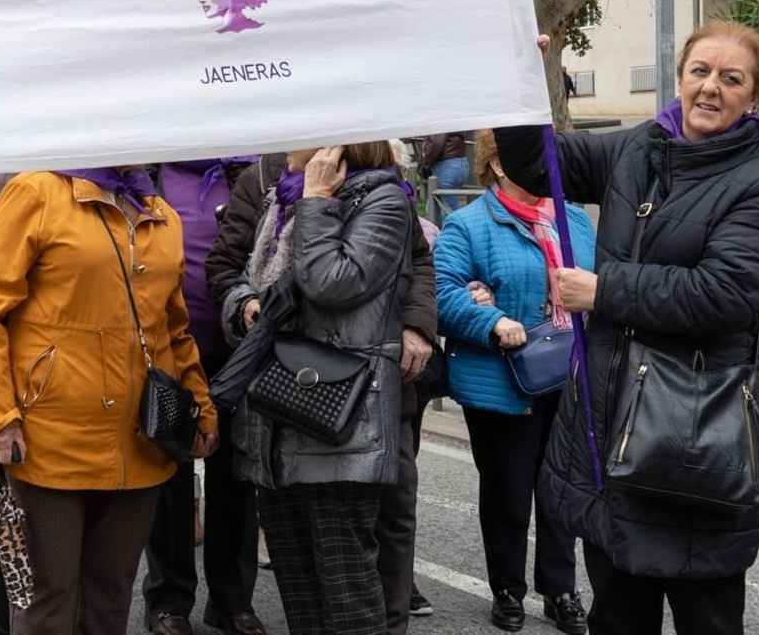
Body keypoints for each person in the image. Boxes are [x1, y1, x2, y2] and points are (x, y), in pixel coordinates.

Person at [494, 21, 759, 635]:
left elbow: (726, 294)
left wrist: (605, 291)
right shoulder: (636, 148)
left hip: (695, 435)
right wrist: (521, 78)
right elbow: (533, 162)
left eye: (730, 78)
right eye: (700, 71)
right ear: (680, 76)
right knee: (618, 616)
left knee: (707, 618)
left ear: (753, 96)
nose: (710, 88)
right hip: (611, 427)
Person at [0, 167, 219, 635]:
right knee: (44, 601)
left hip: (141, 445)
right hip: (48, 441)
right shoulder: (36, 191)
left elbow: (173, 330)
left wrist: (199, 404)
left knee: (110, 598)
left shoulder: (159, 214)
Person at [209, 151, 438, 630]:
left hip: (339, 421)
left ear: (334, 148)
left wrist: (315, 201)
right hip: (278, 414)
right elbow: (240, 275)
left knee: (347, 593)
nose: (284, 144)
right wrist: (248, 307)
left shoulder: (382, 200)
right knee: (300, 589)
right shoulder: (278, 195)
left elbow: (331, 283)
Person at [434, 130, 594, 634]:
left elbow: (600, 280)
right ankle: (506, 587)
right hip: (504, 382)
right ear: (499, 165)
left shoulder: (574, 220)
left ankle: (560, 589)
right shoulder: (467, 225)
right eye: (533, 158)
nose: (547, 168)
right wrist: (493, 321)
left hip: (569, 378)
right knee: (508, 491)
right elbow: (442, 292)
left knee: (561, 491)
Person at [142, 158, 265, 635]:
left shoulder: (248, 172)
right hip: (167, 351)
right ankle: (168, 600)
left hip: (237, 349)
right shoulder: (153, 172)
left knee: (236, 477)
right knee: (167, 478)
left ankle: (232, 599)